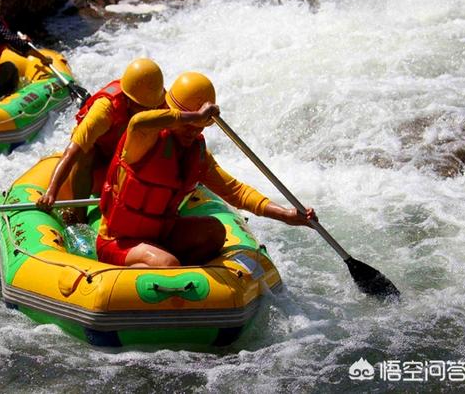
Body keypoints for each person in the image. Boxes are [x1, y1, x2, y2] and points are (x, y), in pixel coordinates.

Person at [96, 72, 317, 267]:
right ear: (170, 111)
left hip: (161, 235)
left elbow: (237, 192)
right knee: (168, 263)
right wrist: (197, 116)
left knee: (214, 232)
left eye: (200, 126)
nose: (193, 131)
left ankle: (182, 282)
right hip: (118, 240)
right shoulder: (143, 139)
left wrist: (285, 214)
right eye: (188, 123)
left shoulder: (197, 154)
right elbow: (138, 121)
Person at [37, 58, 166, 220]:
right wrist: (51, 191)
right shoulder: (104, 110)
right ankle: (79, 213)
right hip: (100, 158)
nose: (148, 111)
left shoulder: (158, 101)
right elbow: (72, 152)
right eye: (142, 107)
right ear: (128, 99)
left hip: (130, 155)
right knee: (86, 153)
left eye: (151, 107)